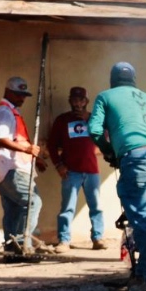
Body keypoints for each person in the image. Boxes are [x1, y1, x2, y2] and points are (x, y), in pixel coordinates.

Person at [88, 61, 146, 291]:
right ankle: (144, 273)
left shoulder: (105, 96)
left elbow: (94, 130)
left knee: (142, 218)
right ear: (133, 80)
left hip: (136, 157)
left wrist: (109, 150)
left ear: (113, 80)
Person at [0, 75, 49, 255]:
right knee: (33, 201)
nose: (22, 98)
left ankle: (11, 245)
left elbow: (17, 141)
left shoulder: (11, 112)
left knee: (14, 208)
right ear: (8, 92)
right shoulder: (3, 112)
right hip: (11, 168)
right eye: (18, 94)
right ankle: (23, 243)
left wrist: (34, 157)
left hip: (6, 168)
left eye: (23, 95)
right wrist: (28, 150)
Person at [46, 86, 107, 253]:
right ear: (70, 101)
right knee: (67, 207)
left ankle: (98, 238)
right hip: (70, 171)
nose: (78, 103)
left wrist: (91, 118)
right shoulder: (62, 120)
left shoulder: (94, 119)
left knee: (96, 206)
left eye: (81, 100)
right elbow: (51, 146)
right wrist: (58, 164)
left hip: (92, 170)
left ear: (86, 101)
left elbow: (106, 137)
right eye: (74, 100)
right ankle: (64, 241)